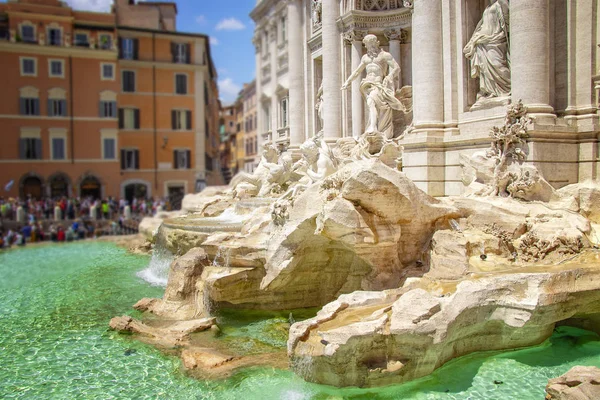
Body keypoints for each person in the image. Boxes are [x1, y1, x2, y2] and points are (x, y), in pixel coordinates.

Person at [341, 34, 404, 139]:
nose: (369, 48)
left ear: (376, 43)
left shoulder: (384, 55)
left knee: (371, 102)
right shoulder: (365, 58)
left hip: (378, 84)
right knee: (372, 104)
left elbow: (396, 67)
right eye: (367, 45)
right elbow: (357, 72)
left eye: (371, 45)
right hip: (367, 85)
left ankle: (373, 127)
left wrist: (389, 76)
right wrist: (348, 81)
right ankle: (373, 126)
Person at [463, 0, 511, 105]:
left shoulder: (500, 3)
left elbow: (508, 18)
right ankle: (489, 92)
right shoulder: (487, 7)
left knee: (497, 64)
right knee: (484, 67)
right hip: (483, 41)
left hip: (496, 39)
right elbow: (482, 24)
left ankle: (505, 89)